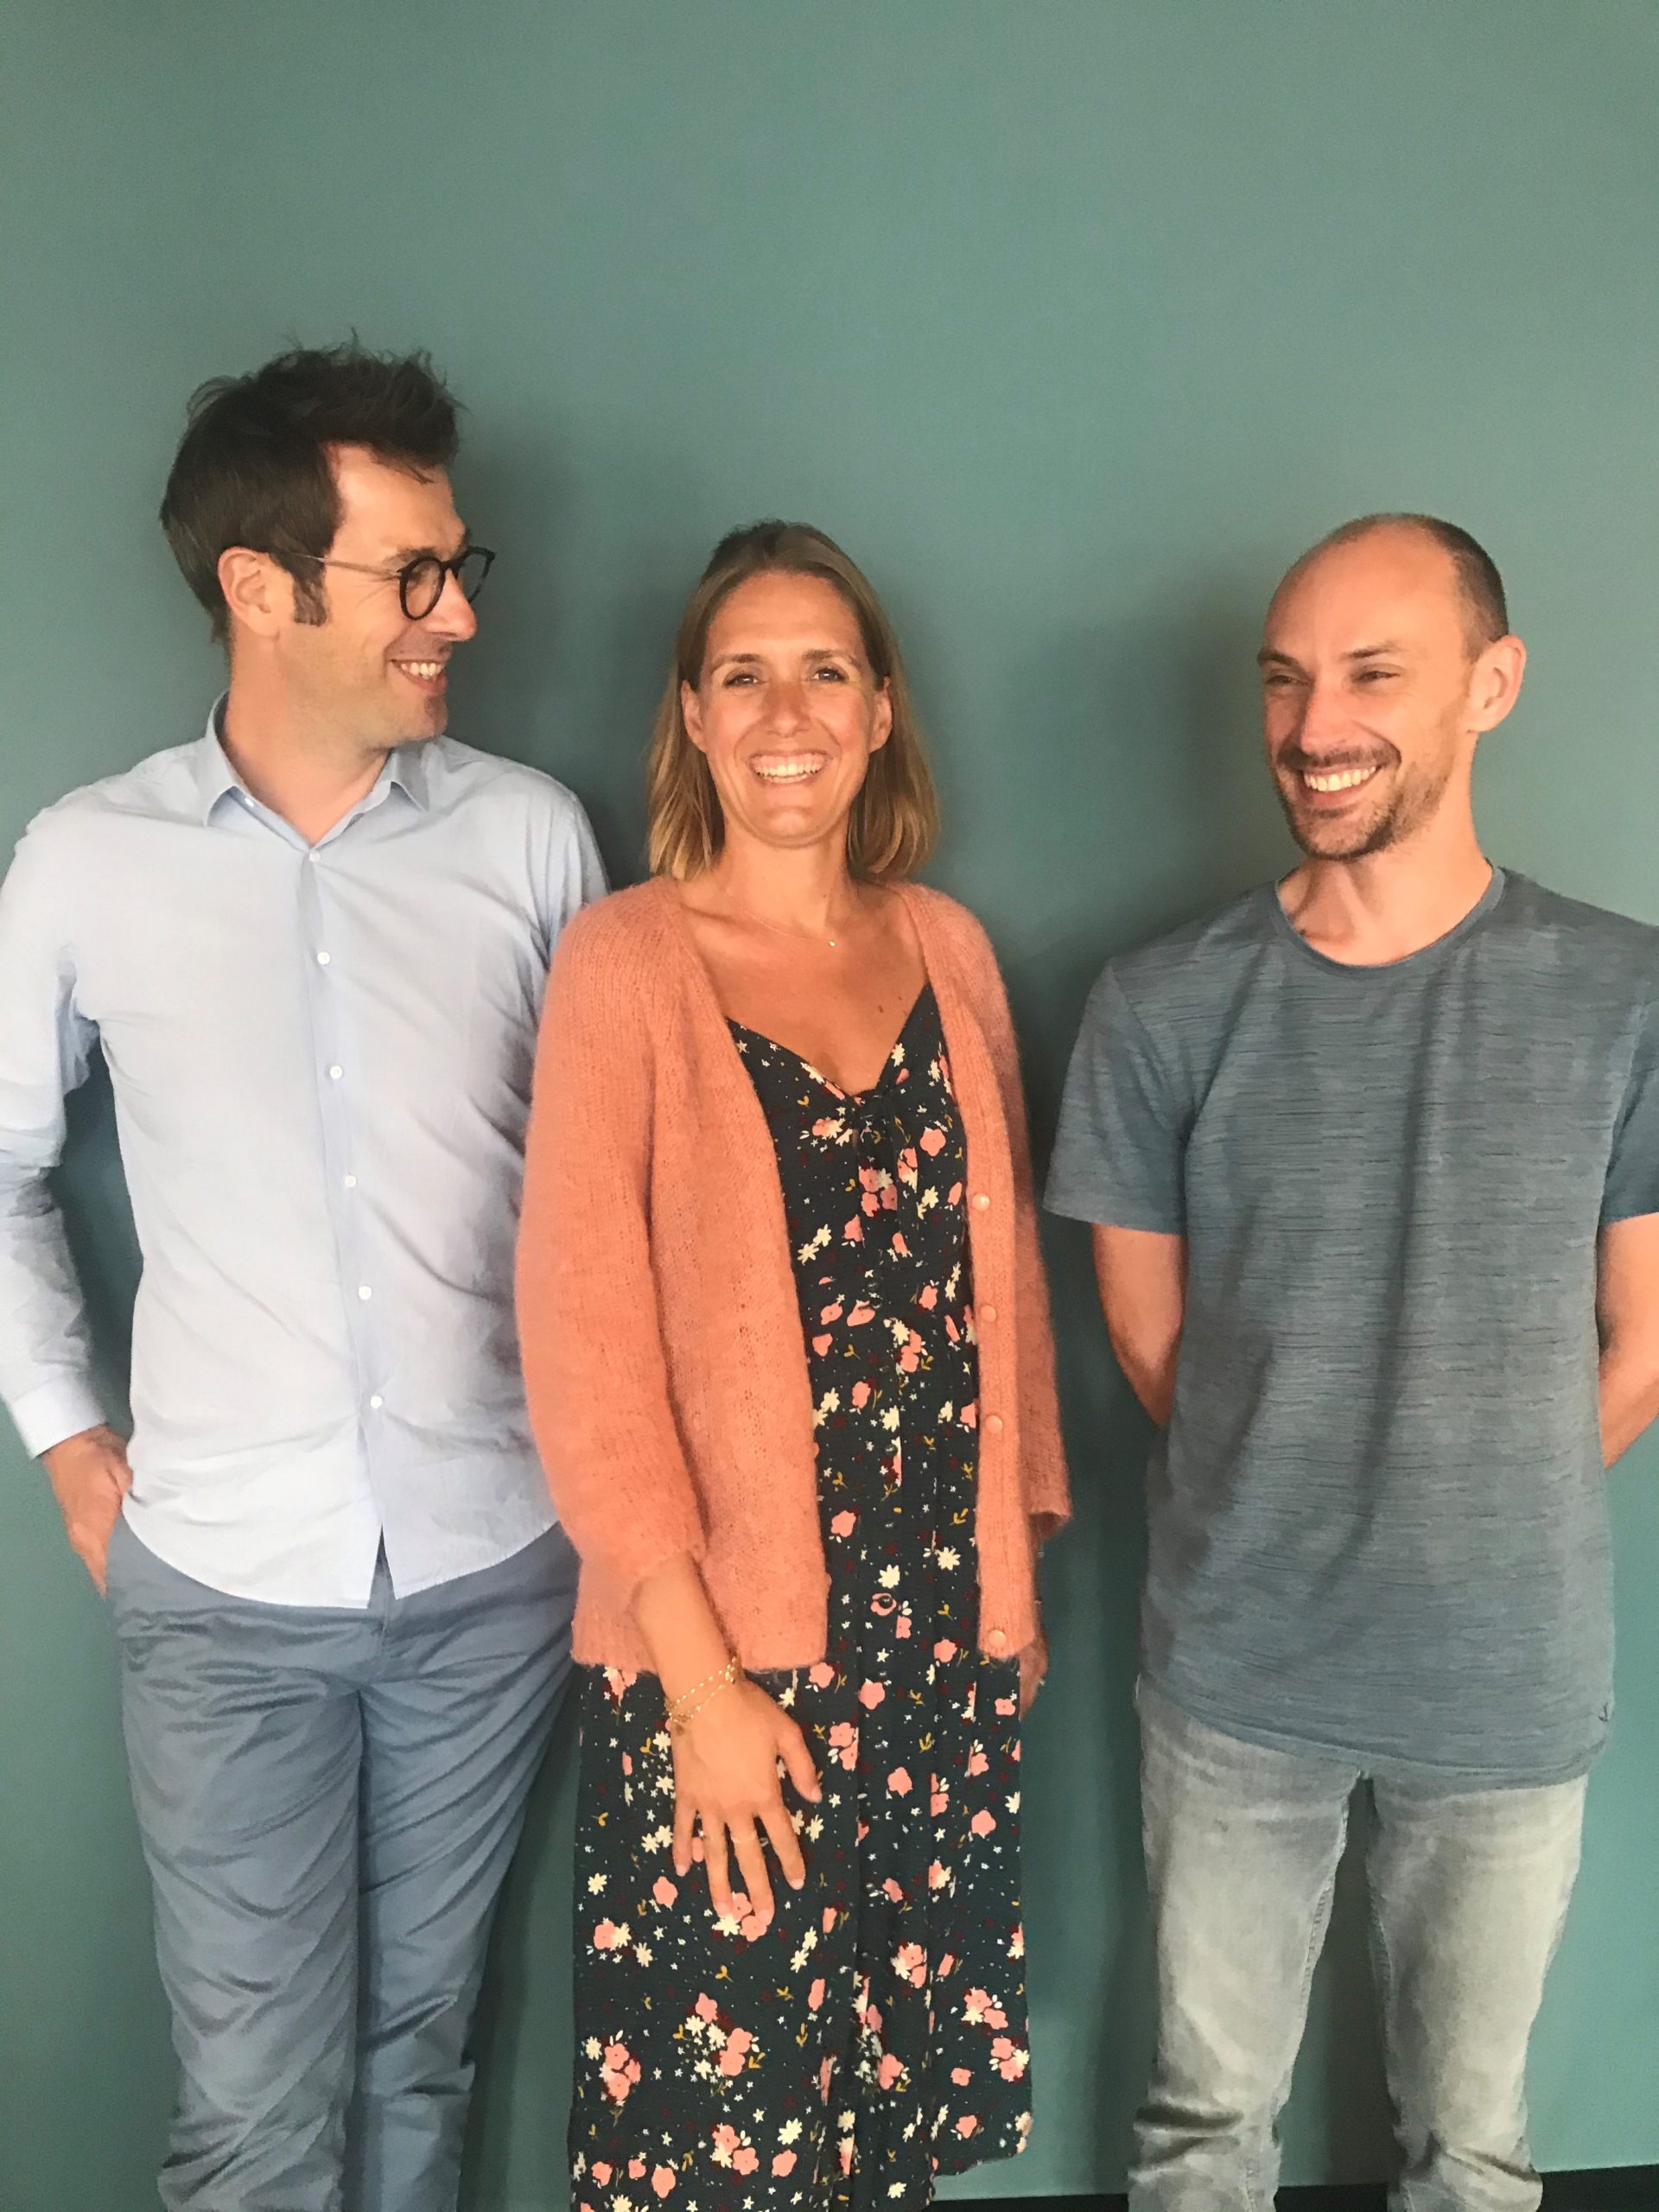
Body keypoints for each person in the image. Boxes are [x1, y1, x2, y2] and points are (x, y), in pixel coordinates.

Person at [0, 344, 605, 2211]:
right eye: (412, 574)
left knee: (419, 2053)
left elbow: (611, 1189)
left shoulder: (530, 837)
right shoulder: (87, 861)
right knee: (255, 2112)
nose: (458, 613)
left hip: (494, 1566)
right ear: (261, 587)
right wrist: (69, 1441)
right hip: (223, 1591)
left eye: (458, 563)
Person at [1046, 512, 1659, 2212]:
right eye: (1286, 679)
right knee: (1201, 2125)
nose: (1316, 726)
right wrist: (1303, 1485)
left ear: (1492, 683)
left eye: (1373, 673)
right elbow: (1150, 1341)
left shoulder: (1626, 996)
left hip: (1508, 1678)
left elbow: (1644, 1339)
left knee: (1474, 2146)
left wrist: (1478, 1495)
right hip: (1238, 1668)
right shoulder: (1160, 1003)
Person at [516, 520, 1070, 2209]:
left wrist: (1011, 1586)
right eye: (742, 674)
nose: (786, 711)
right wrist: (703, 1693)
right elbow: (586, 1352)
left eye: (825, 670)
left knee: (883, 2128)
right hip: (724, 1656)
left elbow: (1005, 1301)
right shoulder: (624, 961)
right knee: (721, 2138)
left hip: (935, 1649)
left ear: (881, 710)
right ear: (691, 716)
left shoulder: (950, 950)